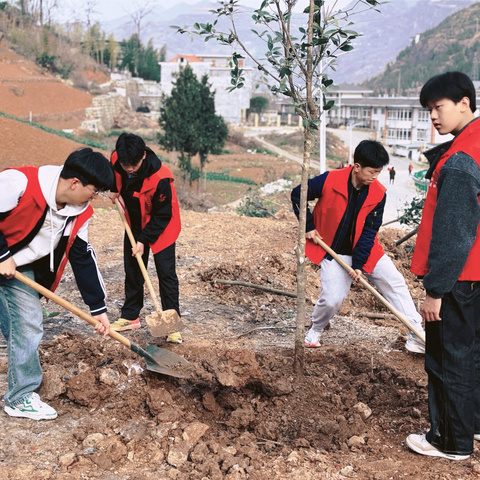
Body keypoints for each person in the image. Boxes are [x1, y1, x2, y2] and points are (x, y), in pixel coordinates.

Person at [0, 148, 114, 421]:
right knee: (20, 325)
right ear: (75, 183)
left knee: (27, 322)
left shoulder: (78, 212)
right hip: (5, 258)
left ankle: (19, 397)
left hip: (18, 271)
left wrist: (98, 308)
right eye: (94, 190)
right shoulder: (18, 183)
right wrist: (2, 255)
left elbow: (82, 256)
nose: (94, 197)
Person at [406, 71, 480, 461]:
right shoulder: (473, 144)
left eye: (438, 107)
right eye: (428, 110)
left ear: (464, 102)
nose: (433, 117)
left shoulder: (462, 160)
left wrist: (434, 290)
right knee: (471, 353)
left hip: (459, 277)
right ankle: (472, 424)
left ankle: (450, 440)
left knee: (448, 357)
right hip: (475, 275)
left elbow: (454, 235)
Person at [291, 140, 425, 354]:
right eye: (372, 172)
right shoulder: (329, 180)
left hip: (366, 251)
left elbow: (370, 232)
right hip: (333, 250)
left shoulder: (378, 193)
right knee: (332, 298)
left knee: (395, 283)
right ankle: (316, 329)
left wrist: (360, 265)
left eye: (379, 172)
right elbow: (298, 194)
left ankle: (416, 335)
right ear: (356, 167)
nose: (375, 177)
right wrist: (308, 226)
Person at [109, 133, 182, 344]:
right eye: (125, 164)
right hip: (134, 220)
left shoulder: (161, 178)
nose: (129, 168)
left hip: (162, 223)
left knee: (166, 273)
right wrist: (114, 190)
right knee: (133, 268)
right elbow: (115, 175)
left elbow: (163, 214)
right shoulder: (118, 160)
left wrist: (143, 240)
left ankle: (172, 323)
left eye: (133, 164)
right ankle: (131, 316)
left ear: (143, 155)